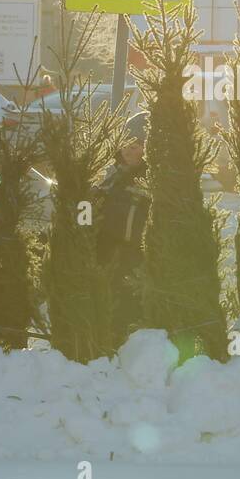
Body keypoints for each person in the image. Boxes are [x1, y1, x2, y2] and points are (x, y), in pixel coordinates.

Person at [97, 112, 150, 337]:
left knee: (126, 311)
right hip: (106, 254)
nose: (129, 149)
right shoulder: (111, 174)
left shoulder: (148, 179)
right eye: (127, 142)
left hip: (133, 260)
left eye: (137, 144)